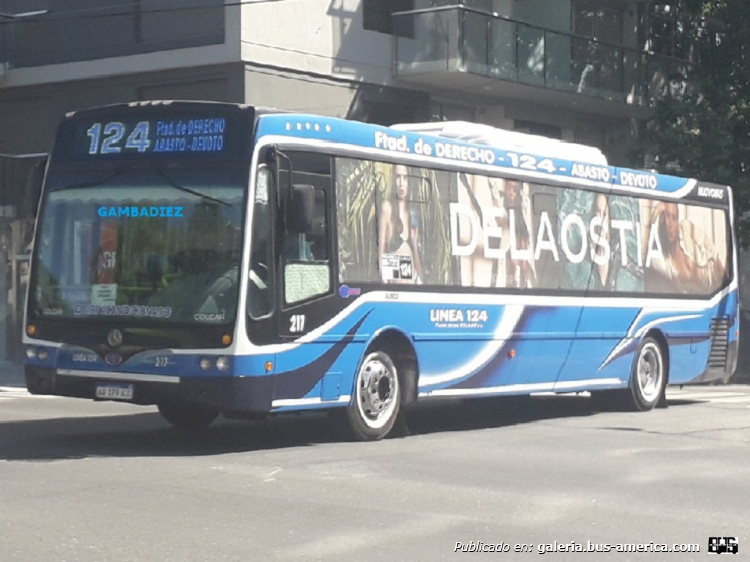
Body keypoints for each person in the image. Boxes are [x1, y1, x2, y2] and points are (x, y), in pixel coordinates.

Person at [646, 201, 725, 293]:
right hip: (705, 299)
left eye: (674, 218)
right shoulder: (663, 260)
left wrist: (725, 276)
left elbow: (710, 246)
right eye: (666, 218)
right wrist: (655, 212)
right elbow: (645, 253)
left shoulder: (686, 228)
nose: (670, 225)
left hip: (718, 280)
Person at [378, 164, 424, 284]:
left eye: (405, 178)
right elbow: (381, 250)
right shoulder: (387, 208)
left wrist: (414, 243)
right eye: (398, 177)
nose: (401, 183)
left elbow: (419, 268)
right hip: (394, 289)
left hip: (413, 285)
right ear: (393, 180)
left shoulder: (412, 214)